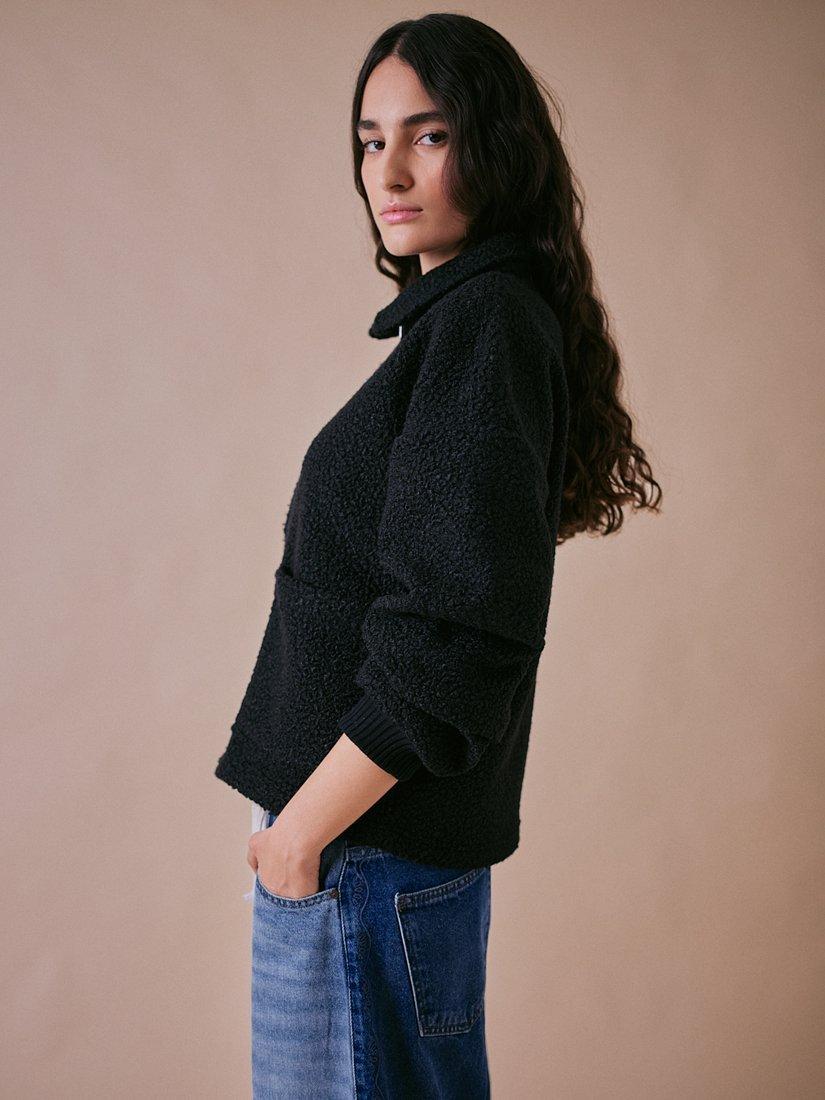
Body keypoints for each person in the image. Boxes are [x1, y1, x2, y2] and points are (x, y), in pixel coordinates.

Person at [214, 13, 662, 1098]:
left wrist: (302, 834)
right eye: (371, 140)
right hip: (367, 848)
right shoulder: (467, 320)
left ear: (494, 146)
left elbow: (457, 634)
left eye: (429, 134)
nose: (389, 172)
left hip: (363, 849)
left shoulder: (485, 326)